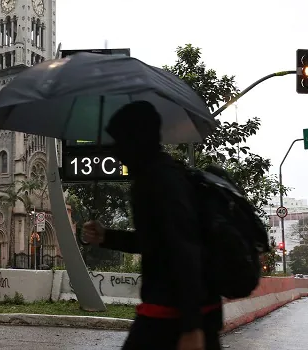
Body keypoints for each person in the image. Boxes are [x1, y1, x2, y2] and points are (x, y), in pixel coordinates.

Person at [82, 101, 223, 350]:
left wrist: (191, 328)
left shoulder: (158, 180)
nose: (116, 151)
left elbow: (185, 249)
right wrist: (107, 237)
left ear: (136, 140)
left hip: (171, 315)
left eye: (120, 142)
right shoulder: (162, 174)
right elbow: (155, 242)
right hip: (181, 310)